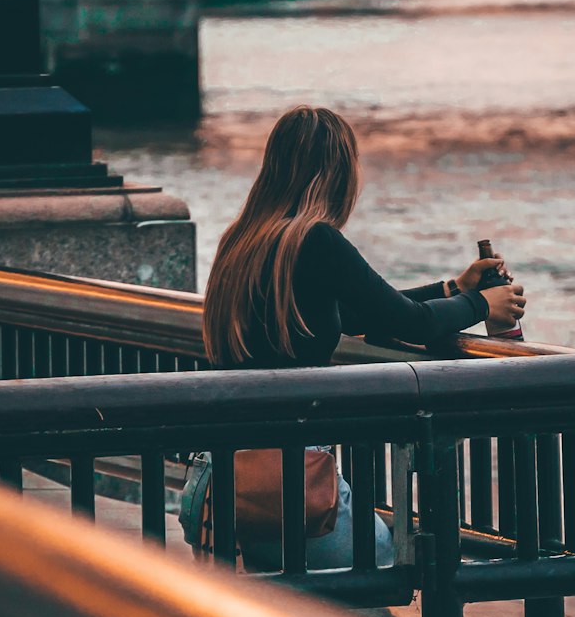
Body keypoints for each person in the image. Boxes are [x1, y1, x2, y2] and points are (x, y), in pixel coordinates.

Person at [196, 105, 527, 573]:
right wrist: (482, 307)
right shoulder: (315, 241)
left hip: (227, 493)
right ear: (337, 173)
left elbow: (354, 313)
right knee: (390, 556)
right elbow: (410, 323)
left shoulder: (244, 241)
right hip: (291, 494)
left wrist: (453, 289)